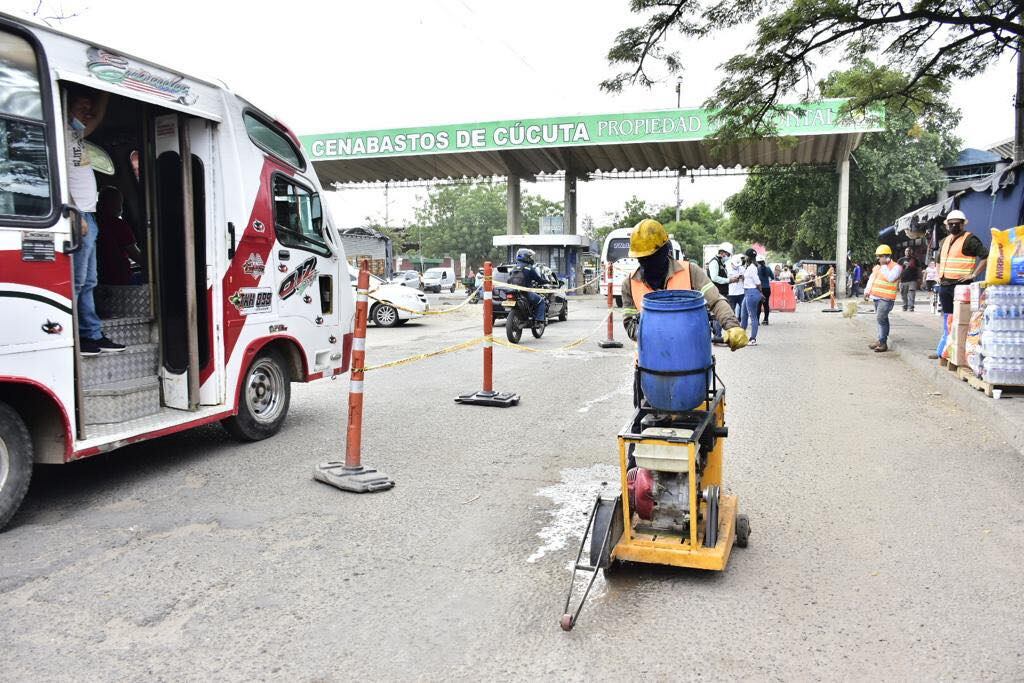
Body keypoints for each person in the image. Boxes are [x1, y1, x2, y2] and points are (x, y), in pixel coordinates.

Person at [621, 219, 747, 351]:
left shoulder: (691, 272)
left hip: (693, 359)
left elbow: (715, 301)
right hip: (650, 363)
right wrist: (658, 334)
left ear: (665, 250)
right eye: (642, 258)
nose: (647, 263)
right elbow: (630, 325)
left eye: (652, 257)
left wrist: (732, 326)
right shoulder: (629, 284)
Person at [65, 88, 124, 356]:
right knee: (77, 282)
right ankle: (78, 335)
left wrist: (106, 92)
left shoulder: (76, 135)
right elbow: (57, 178)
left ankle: (92, 333)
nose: (87, 113)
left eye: (89, 108)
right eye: (81, 107)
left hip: (88, 216)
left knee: (89, 281)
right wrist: (74, 213)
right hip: (77, 216)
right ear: (67, 107)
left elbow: (96, 119)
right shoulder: (61, 135)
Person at [931, 209, 988, 358]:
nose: (954, 226)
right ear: (947, 225)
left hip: (962, 286)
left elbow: (985, 256)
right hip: (945, 285)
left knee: (963, 320)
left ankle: (961, 352)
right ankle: (944, 351)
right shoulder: (944, 241)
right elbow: (938, 261)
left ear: (963, 225)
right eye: (951, 224)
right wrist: (938, 275)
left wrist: (974, 274)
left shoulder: (970, 239)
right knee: (948, 318)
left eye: (957, 223)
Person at [96, 186, 144, 286]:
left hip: (99, 278)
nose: (120, 209)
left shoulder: (93, 222)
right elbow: (134, 254)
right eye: (120, 204)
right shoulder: (118, 224)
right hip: (120, 279)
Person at [863, 244, 902, 353]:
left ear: (887, 256)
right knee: (882, 319)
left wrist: (884, 266)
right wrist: (867, 291)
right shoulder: (877, 267)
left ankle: (883, 342)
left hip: (886, 299)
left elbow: (890, 278)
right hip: (876, 297)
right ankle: (880, 339)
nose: (878, 259)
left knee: (881, 318)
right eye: (878, 256)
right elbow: (872, 279)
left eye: (880, 256)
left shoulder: (896, 267)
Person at [704, 242, 734, 343]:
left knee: (719, 314)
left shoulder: (721, 263)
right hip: (717, 292)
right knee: (718, 314)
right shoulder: (714, 262)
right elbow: (714, 277)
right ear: (723, 252)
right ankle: (717, 336)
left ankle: (718, 334)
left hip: (722, 291)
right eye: (728, 254)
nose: (728, 257)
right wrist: (728, 280)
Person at [510, 248, 547, 324]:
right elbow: (538, 279)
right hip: (526, 293)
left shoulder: (513, 268)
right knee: (541, 301)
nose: (530, 258)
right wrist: (545, 281)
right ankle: (539, 320)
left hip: (514, 292)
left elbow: (509, 279)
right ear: (526, 257)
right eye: (529, 257)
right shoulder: (529, 268)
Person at [739, 249, 763, 345]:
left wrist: (760, 292)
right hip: (748, 293)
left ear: (748, 257)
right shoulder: (749, 267)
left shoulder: (752, 267)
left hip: (751, 292)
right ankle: (742, 337)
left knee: (752, 316)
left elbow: (757, 282)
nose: (744, 257)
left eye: (745, 256)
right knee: (743, 315)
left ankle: (753, 339)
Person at [898, 247, 920, 312]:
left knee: (911, 294)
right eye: (906, 251)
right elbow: (897, 270)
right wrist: (898, 279)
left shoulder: (915, 260)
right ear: (904, 252)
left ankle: (911, 307)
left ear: (911, 252)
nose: (908, 252)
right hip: (903, 280)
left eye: (909, 251)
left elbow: (919, 269)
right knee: (903, 294)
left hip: (912, 280)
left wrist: (919, 278)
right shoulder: (900, 260)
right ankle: (905, 306)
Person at [756, 253, 774, 325]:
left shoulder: (757, 269)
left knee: (759, 305)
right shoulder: (768, 268)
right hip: (767, 288)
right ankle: (766, 320)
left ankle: (757, 321)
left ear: (757, 262)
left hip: (759, 289)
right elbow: (772, 277)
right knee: (766, 304)